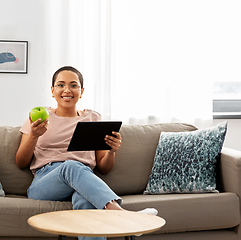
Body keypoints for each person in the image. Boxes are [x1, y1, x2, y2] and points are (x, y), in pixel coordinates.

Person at [15, 66, 157, 240]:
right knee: (71, 165)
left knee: (86, 201)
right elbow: (20, 162)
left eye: (73, 85)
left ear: (81, 91)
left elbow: (104, 168)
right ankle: (124, 216)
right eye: (61, 85)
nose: (67, 90)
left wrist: (112, 152)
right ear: (52, 91)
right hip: (44, 182)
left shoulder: (93, 119)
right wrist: (34, 136)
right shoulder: (39, 118)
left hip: (82, 180)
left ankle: (119, 217)